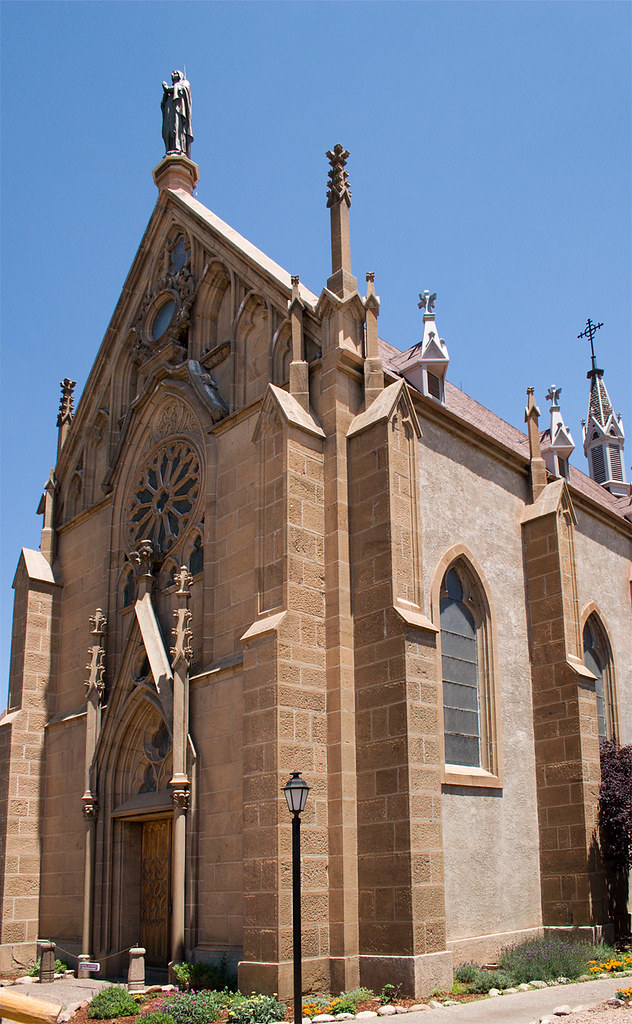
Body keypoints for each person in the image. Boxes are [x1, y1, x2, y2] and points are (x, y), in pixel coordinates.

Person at [161, 71, 193, 157]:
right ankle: (170, 147)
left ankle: (178, 147)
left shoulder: (185, 83)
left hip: (178, 110)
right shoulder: (169, 94)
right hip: (169, 110)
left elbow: (183, 89)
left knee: (177, 127)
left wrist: (169, 88)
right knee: (168, 129)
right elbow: (163, 103)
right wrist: (166, 93)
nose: (172, 74)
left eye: (175, 73)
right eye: (172, 73)